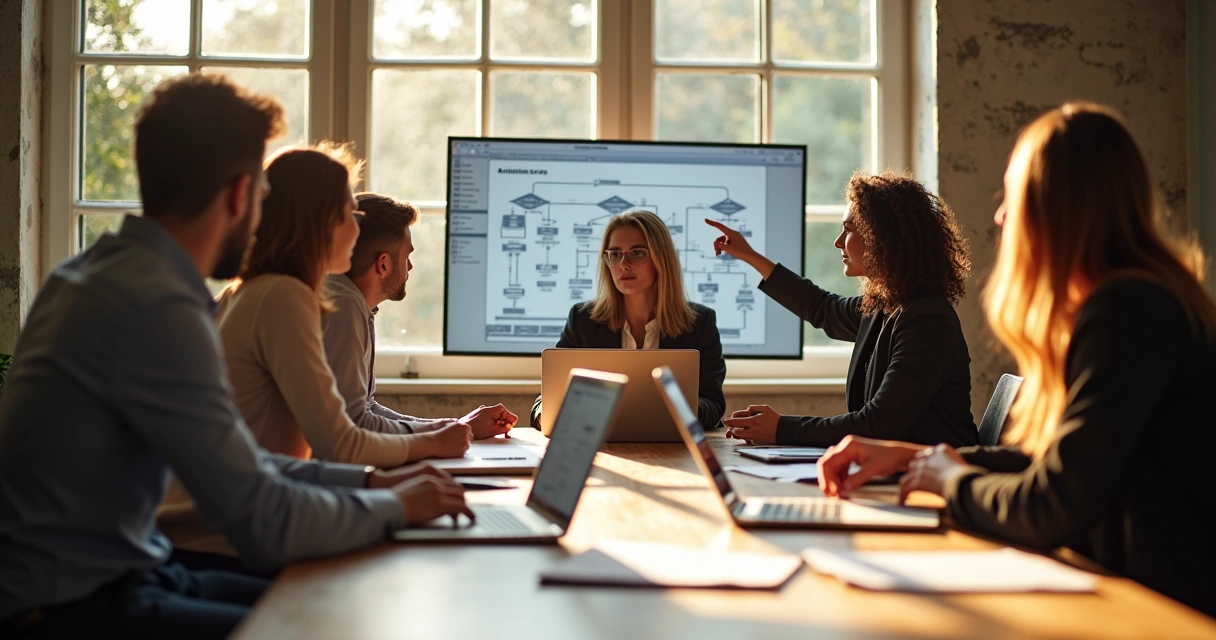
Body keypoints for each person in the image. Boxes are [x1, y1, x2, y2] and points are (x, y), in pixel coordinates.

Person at [0, 74, 470, 639]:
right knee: (347, 622)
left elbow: (244, 462)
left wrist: (373, 485)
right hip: (70, 608)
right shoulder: (157, 306)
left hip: (136, 570)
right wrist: (396, 508)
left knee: (343, 605)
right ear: (238, 195)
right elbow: (260, 518)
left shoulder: (99, 274)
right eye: (263, 197)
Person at [817, 102, 1216, 618]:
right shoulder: (1136, 301)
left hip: (1170, 613)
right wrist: (918, 459)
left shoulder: (1127, 311)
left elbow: (1054, 502)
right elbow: (1058, 463)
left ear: (1057, 209)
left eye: (1015, 196)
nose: (1001, 215)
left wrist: (949, 479)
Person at [709, 171, 977, 448]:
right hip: (893, 469)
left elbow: (879, 425)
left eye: (849, 230)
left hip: (933, 479)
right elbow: (822, 308)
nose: (838, 242)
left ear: (882, 238)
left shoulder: (926, 319)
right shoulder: (884, 306)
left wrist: (781, 428)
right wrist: (750, 256)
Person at [321, 192, 517, 442]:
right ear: (383, 264)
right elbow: (357, 422)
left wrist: (455, 426)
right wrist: (457, 430)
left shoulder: (352, 303)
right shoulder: (344, 308)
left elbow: (367, 409)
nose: (410, 266)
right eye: (407, 256)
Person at [530, 209, 727, 429]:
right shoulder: (583, 320)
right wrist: (545, 415)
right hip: (605, 448)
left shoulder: (700, 323)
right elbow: (546, 399)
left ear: (661, 259)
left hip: (675, 449)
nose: (623, 264)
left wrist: (680, 409)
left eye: (638, 253)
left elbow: (713, 404)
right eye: (615, 254)